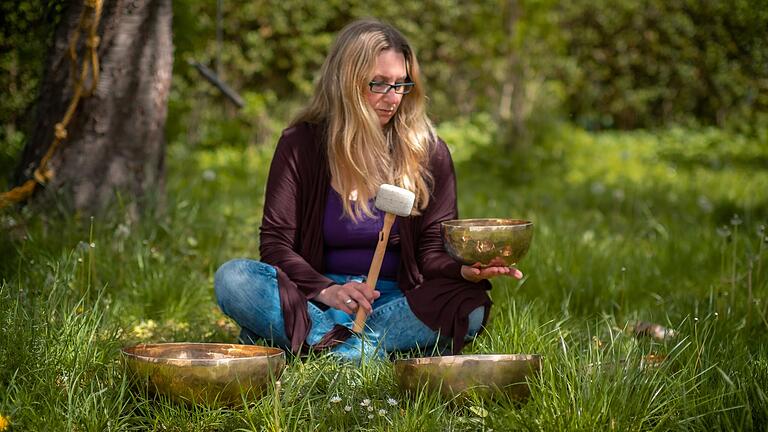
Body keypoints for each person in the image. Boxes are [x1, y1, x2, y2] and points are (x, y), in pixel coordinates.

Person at [214, 18, 523, 361]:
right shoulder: (300, 145)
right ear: (346, 82)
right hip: (316, 297)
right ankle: (352, 347)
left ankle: (319, 344)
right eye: (378, 84)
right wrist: (328, 290)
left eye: (401, 84)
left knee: (469, 304)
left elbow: (433, 251)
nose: (393, 98)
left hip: (396, 302)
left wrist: (463, 270)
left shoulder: (428, 151)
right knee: (234, 278)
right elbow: (275, 246)